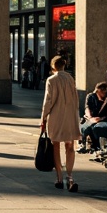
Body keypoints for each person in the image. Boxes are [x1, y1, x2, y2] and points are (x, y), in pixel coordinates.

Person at [40, 54, 81, 191]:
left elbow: (48, 101)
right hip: (70, 116)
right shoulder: (71, 78)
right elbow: (76, 99)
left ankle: (59, 177)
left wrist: (43, 118)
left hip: (56, 117)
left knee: (55, 146)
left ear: (53, 67)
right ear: (64, 66)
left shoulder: (51, 80)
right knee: (69, 146)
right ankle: (70, 177)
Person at [78, 82, 107, 157]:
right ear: (98, 90)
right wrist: (90, 117)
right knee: (87, 127)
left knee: (96, 127)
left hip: (102, 119)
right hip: (91, 118)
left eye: (105, 91)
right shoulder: (91, 96)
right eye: (102, 91)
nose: (104, 93)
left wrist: (100, 118)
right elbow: (87, 108)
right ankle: (85, 144)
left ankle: (97, 147)